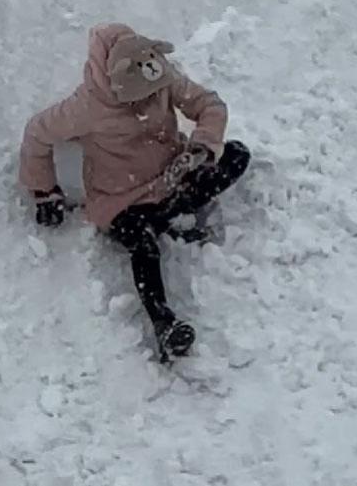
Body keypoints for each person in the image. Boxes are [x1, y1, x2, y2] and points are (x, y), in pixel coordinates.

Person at [19, 23, 250, 361]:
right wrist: (44, 190)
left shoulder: (161, 76)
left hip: (172, 178)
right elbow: (36, 133)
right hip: (123, 203)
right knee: (142, 244)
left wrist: (202, 145)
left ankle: (174, 214)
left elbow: (209, 105)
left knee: (236, 154)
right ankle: (164, 323)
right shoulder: (86, 107)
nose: (146, 101)